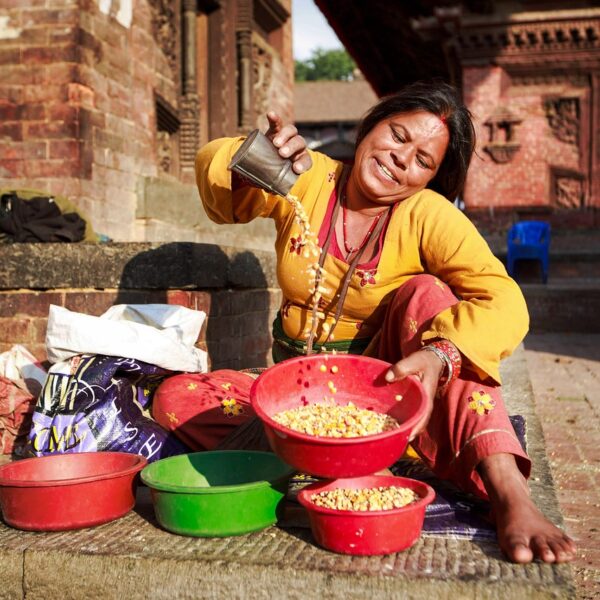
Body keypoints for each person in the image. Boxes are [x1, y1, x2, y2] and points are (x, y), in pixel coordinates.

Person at [153, 81, 576, 564]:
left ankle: (508, 493)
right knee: (176, 398)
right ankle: (350, 457)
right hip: (296, 397)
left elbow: (505, 299)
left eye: (422, 160)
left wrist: (442, 353)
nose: (402, 159)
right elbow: (218, 173)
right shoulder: (309, 176)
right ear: (371, 124)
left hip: (383, 391)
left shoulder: (427, 215)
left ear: (431, 179)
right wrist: (254, 158)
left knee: (429, 296)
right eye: (397, 136)